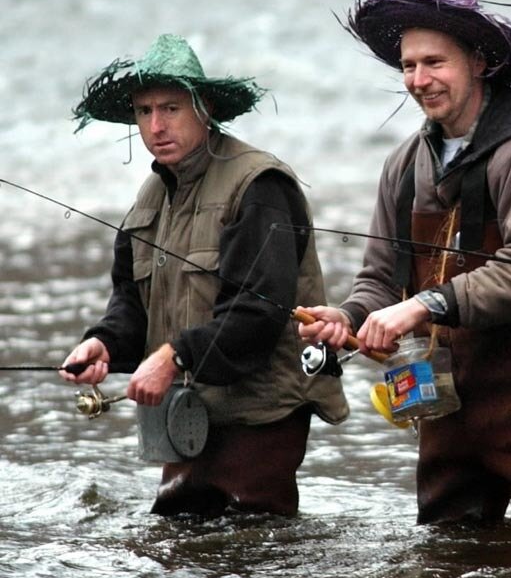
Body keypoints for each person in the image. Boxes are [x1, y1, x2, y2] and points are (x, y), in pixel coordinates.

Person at [297, 0, 511, 525]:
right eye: (409, 65)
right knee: (442, 569)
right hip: (443, 414)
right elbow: (381, 280)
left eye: (435, 62)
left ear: (480, 62)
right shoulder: (403, 163)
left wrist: (419, 307)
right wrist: (347, 316)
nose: (419, 79)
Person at [61, 33, 348, 517]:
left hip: (262, 411)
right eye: (145, 111)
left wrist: (172, 358)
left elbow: (257, 313)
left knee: (252, 543)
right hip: (188, 412)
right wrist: (104, 344)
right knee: (180, 536)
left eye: (171, 108)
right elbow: (131, 304)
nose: (156, 125)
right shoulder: (149, 198)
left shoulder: (259, 184)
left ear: (205, 107)